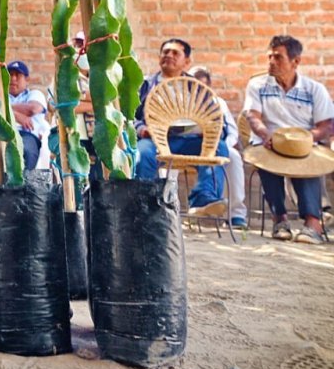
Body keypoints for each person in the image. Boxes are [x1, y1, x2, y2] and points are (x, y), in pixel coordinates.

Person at [243, 35, 334, 244]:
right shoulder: (257, 85)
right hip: (269, 141)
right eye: (269, 57)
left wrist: (304, 140)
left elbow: (325, 126)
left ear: (296, 62)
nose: (272, 62)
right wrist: (266, 135)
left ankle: (313, 223)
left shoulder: (314, 89)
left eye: (278, 58)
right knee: (266, 163)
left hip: (304, 143)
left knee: (309, 163)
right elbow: (252, 117)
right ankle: (279, 219)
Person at [134, 39, 228, 214]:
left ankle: (203, 200)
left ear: (187, 62)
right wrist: (142, 129)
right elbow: (130, 117)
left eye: (175, 53)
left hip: (189, 141)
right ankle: (144, 206)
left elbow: (216, 120)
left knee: (219, 148)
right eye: (165, 52)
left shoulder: (197, 88)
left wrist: (208, 132)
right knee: (142, 153)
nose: (169, 55)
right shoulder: (145, 85)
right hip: (154, 141)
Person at [190, 66, 248, 228]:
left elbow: (232, 131)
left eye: (203, 86)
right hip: (191, 145)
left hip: (216, 145)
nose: (199, 90)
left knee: (234, 156)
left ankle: (236, 214)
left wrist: (223, 146)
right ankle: (171, 207)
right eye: (194, 85)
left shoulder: (218, 103)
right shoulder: (183, 102)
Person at [7, 61, 48, 169]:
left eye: (18, 75)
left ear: (27, 80)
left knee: (27, 149)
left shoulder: (35, 94)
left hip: (26, 135)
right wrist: (16, 115)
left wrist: (4, 108)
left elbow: (32, 109)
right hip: (1, 133)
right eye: (10, 75)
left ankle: (25, 185)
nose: (13, 79)